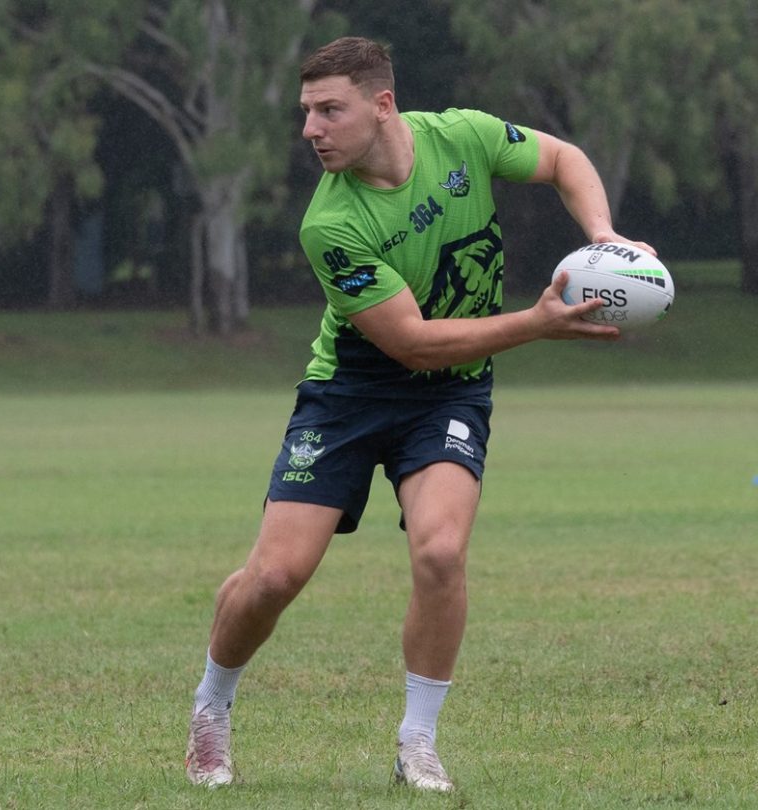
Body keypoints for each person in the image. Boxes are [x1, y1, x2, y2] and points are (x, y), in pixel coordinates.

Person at [185, 35, 655, 793]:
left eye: (328, 111)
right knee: (273, 578)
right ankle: (211, 704)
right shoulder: (329, 224)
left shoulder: (462, 137)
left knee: (440, 554)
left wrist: (601, 234)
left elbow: (565, 158)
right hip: (351, 392)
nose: (311, 130)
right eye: (306, 113)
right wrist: (536, 325)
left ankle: (418, 743)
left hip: (451, 391)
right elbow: (410, 343)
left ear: (381, 105)